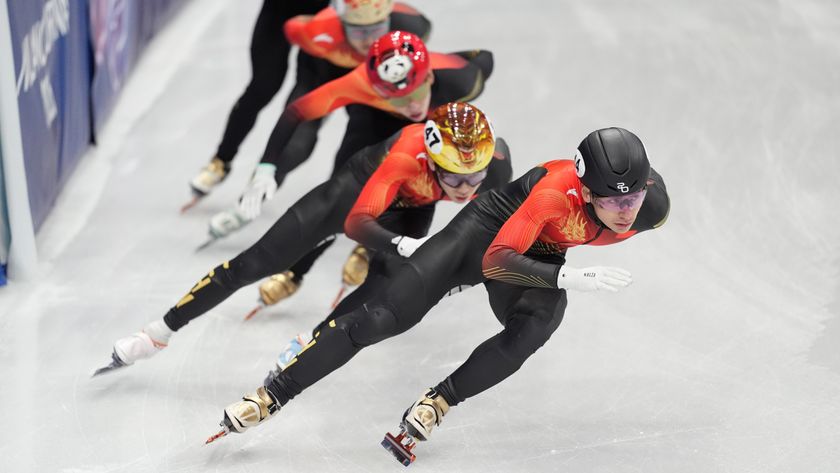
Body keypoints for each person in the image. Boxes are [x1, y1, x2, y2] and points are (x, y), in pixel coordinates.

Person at [211, 127, 671, 465]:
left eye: (632, 199)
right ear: (586, 191)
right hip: (483, 237)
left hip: (540, 252)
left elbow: (617, 215)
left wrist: (557, 276)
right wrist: (570, 278)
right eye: (613, 201)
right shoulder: (554, 194)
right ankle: (272, 395)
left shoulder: (650, 206)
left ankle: (438, 401)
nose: (626, 212)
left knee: (535, 326)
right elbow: (495, 261)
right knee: (380, 319)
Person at [94, 102, 512, 375]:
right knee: (253, 264)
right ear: (433, 160)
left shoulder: (493, 163)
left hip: (413, 208)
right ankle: (157, 332)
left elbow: (492, 230)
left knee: (382, 287)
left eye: (474, 178)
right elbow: (356, 224)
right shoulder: (406, 155)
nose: (465, 188)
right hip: (354, 194)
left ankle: (309, 342)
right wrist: (404, 245)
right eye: (456, 178)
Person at [207, 30, 495, 306]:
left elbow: (484, 58)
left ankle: (370, 246)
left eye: (415, 93)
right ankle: (296, 271)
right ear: (378, 88)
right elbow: (297, 111)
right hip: (372, 123)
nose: (410, 105)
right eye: (397, 97)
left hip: (430, 139)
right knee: (339, 196)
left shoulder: (462, 80)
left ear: (429, 77)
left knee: (416, 194)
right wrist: (267, 166)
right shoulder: (360, 82)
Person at [189, 0, 430, 200]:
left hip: (340, 21)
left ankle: (327, 193)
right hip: (285, 12)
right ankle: (221, 160)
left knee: (351, 110)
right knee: (263, 87)